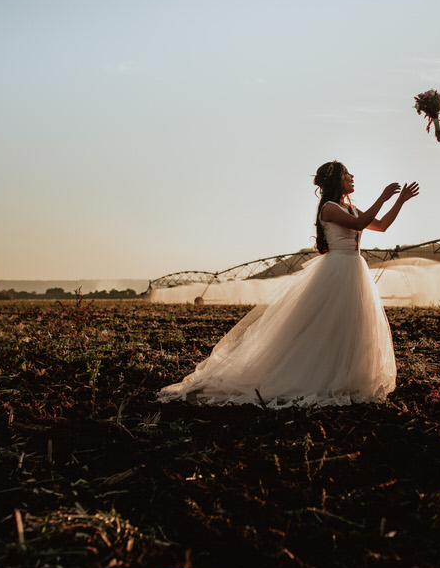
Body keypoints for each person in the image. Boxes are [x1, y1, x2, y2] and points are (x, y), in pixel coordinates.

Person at [158, 161, 419, 407]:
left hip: (354, 269)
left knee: (351, 325)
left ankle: (345, 376)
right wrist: (382, 197)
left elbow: (381, 226)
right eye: (346, 174)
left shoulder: (351, 207)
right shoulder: (329, 208)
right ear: (336, 181)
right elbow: (360, 224)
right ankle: (316, 377)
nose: (352, 177)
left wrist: (400, 201)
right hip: (337, 270)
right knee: (324, 327)